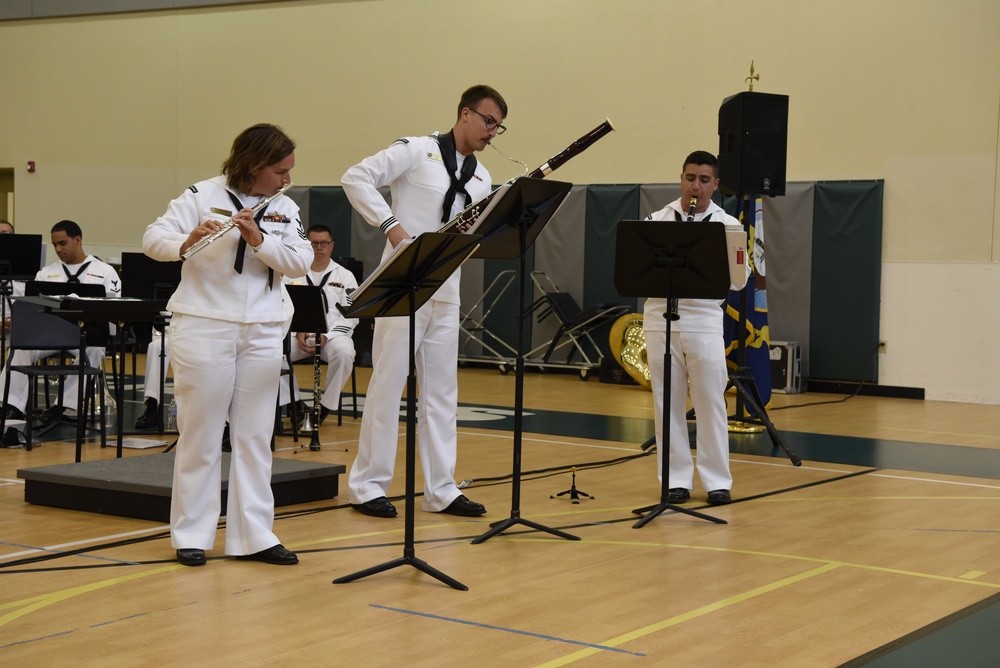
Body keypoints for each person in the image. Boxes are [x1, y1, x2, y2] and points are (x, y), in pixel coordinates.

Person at [142, 123, 311, 567]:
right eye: (279, 170)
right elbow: (152, 239)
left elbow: (299, 262)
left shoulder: (285, 207)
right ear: (253, 166)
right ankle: (191, 534)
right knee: (200, 433)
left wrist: (258, 239)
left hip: (263, 328)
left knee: (256, 437)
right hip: (205, 325)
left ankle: (254, 536)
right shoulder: (199, 194)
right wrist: (187, 240)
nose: (286, 179)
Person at [340, 84, 505, 518]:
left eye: (499, 127)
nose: (493, 131)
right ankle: (368, 486)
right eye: (488, 121)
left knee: (441, 393)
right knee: (388, 384)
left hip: (447, 288)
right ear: (465, 113)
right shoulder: (417, 149)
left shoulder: (483, 177)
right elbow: (355, 177)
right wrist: (392, 227)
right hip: (403, 284)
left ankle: (441, 489)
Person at [642, 150, 748, 506]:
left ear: (715, 185)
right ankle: (674, 481)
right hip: (660, 318)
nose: (695, 186)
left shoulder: (729, 225)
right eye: (690, 178)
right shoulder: (656, 220)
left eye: (704, 180)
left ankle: (717, 481)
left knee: (710, 401)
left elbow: (737, 283)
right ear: (681, 179)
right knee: (666, 402)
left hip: (703, 319)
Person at [0, 220, 121, 425]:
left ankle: (62, 406)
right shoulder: (46, 273)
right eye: (55, 244)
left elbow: (112, 310)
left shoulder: (105, 271)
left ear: (78, 240)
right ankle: (10, 407)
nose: (58, 249)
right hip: (47, 336)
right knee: (20, 347)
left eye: (63, 243)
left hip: (84, 335)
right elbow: (32, 307)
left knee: (93, 350)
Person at [279, 225, 358, 424]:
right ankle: (294, 403)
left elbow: (351, 314)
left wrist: (327, 337)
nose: (319, 248)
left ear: (331, 246)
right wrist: (297, 331)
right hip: (299, 336)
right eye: (314, 243)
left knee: (345, 353)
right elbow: (281, 308)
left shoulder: (345, 276)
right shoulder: (291, 274)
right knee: (272, 351)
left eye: (323, 243)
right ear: (307, 245)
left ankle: (324, 407)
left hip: (330, 338)